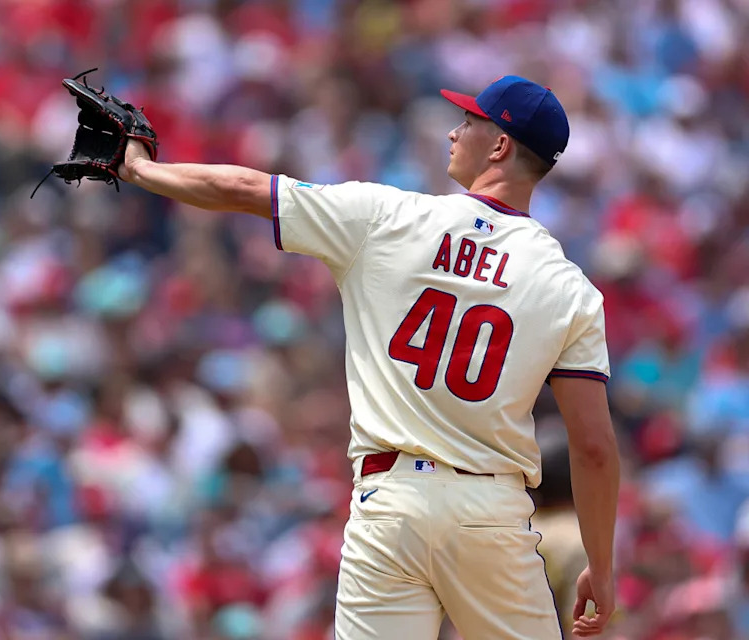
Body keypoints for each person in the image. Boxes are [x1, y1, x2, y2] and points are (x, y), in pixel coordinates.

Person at [117, 75, 620, 640]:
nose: (455, 131)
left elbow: (243, 187)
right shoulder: (570, 288)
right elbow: (595, 448)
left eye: (470, 122)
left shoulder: (388, 217)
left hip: (390, 502)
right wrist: (600, 567)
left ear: (500, 145)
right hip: (490, 510)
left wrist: (141, 170)